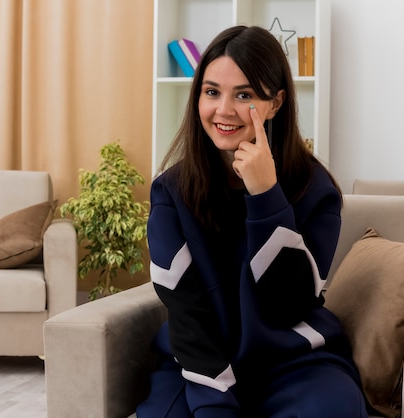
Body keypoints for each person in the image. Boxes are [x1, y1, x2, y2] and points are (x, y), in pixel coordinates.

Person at [137, 25, 368, 418]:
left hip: (295, 365)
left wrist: (266, 198)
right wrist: (217, 405)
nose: (223, 110)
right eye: (212, 92)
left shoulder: (317, 191)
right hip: (198, 367)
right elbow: (188, 317)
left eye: (243, 95)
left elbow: (288, 306)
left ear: (275, 103)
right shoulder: (169, 194)